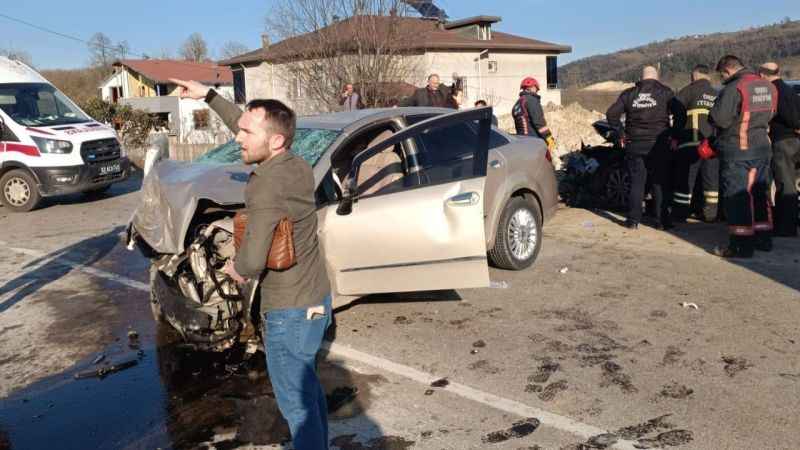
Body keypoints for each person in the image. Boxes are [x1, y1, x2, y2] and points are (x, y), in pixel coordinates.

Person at [170, 77, 333, 449]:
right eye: (239, 129)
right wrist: (209, 96)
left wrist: (236, 270)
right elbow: (249, 128)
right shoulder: (296, 164)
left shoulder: (266, 184)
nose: (238, 137)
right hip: (315, 301)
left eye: (246, 132)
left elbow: (254, 256)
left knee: (296, 403)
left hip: (289, 310)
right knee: (307, 393)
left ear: (274, 140)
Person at [708, 55, 778, 257]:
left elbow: (719, 119)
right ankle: (763, 240)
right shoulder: (768, 87)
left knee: (737, 197)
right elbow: (771, 114)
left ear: (726, 70)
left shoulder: (734, 88)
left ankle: (741, 245)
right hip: (763, 148)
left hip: (738, 150)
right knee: (760, 194)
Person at [606, 66, 679, 229]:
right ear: (656, 78)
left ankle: (633, 221)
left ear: (641, 77)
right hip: (659, 144)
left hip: (635, 144)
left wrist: (620, 133)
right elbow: (680, 113)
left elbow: (611, 114)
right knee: (660, 182)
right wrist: (674, 134)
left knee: (636, 183)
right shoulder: (666, 92)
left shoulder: (629, 94)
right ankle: (661, 221)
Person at [671, 64, 720, 223]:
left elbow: (677, 115)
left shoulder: (687, 91)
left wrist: (675, 137)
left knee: (685, 181)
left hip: (689, 144)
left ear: (694, 76)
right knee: (711, 181)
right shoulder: (717, 94)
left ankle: (680, 214)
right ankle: (711, 214)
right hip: (711, 145)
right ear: (709, 77)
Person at [759, 62, 800, 237]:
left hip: (783, 141)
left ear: (762, 75)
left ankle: (786, 227)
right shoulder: (789, 89)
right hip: (794, 141)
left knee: (784, 183)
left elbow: (790, 116)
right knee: (788, 182)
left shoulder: (775, 91)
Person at [512, 77, 556, 158]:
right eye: (536, 89)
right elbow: (539, 122)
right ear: (532, 87)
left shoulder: (517, 104)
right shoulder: (531, 100)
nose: (537, 91)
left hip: (522, 141)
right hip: (533, 141)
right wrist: (548, 137)